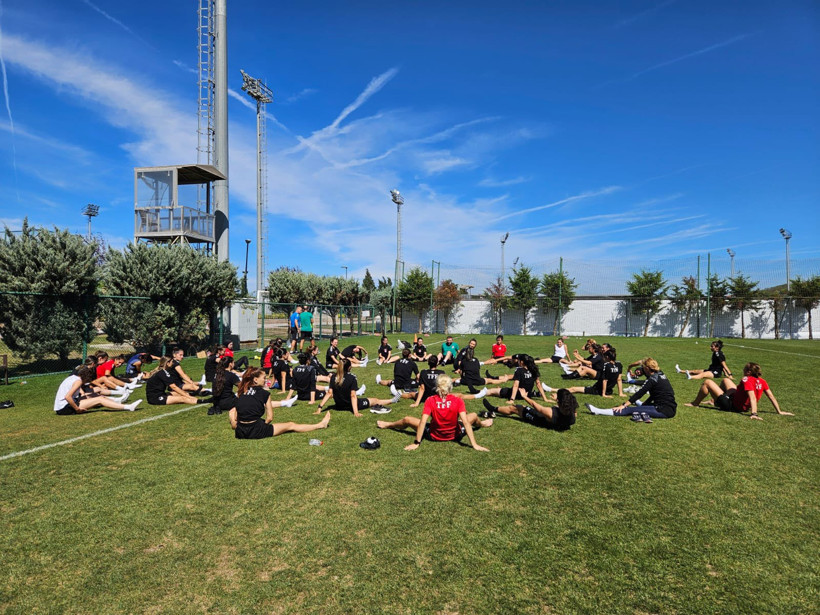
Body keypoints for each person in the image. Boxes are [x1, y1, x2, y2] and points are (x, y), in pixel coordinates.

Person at [377, 374, 491, 451]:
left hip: (434, 435)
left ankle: (388, 424)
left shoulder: (430, 400)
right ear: (450, 387)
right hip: (455, 435)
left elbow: (423, 422)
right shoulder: (458, 400)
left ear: (436, 386)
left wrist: (417, 443)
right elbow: (465, 422)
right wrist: (474, 445)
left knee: (407, 419)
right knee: (474, 416)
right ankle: (482, 424)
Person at [229, 369, 324, 439]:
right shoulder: (264, 393)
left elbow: (236, 417)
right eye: (264, 378)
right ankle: (319, 425)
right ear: (256, 380)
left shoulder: (241, 392)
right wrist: (263, 426)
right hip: (256, 430)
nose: (266, 380)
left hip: (240, 432)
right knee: (290, 425)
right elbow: (270, 418)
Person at [684, 362, 791, 421]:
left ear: (748, 372)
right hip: (737, 401)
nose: (743, 370)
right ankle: (714, 401)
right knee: (726, 380)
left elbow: (752, 397)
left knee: (707, 382)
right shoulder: (762, 381)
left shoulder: (746, 380)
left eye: (744, 369)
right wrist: (779, 411)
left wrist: (754, 413)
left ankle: (695, 403)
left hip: (733, 406)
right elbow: (771, 396)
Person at [586, 358, 676, 421]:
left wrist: (624, 405)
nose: (642, 369)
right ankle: (640, 405)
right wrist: (644, 404)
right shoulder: (660, 374)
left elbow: (640, 393)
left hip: (663, 410)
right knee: (641, 407)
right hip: (669, 407)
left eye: (643, 368)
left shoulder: (652, 380)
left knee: (630, 410)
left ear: (647, 369)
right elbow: (655, 394)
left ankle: (598, 411)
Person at [316, 359, 401, 417]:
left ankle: (392, 400)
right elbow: (353, 396)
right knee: (375, 400)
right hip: (350, 406)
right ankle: (392, 400)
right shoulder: (352, 377)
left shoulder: (334, 377)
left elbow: (329, 393)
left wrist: (320, 407)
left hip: (339, 406)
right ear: (349, 367)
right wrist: (356, 412)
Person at [54, 367, 142, 414]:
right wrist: (77, 409)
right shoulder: (78, 381)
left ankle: (117, 402)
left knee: (95, 396)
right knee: (99, 400)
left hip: (62, 406)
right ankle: (128, 407)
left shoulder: (72, 377)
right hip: (64, 408)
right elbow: (67, 397)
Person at [481, 389, 578, 431]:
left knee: (516, 408)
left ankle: (493, 409)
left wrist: (524, 396)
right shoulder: (572, 412)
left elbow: (535, 405)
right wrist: (557, 400)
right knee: (519, 408)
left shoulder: (551, 412)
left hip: (538, 419)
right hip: (552, 419)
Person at [411, 356, 487, 406]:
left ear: (428, 363)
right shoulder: (441, 372)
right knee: (460, 395)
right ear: (437, 363)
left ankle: (400, 394)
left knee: (411, 394)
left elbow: (422, 388)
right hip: (438, 397)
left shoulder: (423, 372)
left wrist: (417, 403)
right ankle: (477, 395)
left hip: (426, 398)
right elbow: (444, 388)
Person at [483, 354, 550, 401]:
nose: (517, 362)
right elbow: (538, 385)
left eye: (519, 360)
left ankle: (478, 393)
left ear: (522, 362)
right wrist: (545, 399)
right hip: (527, 395)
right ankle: (500, 389)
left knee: (491, 391)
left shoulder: (519, 370)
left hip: (517, 394)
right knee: (500, 389)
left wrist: (512, 399)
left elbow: (515, 385)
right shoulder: (534, 370)